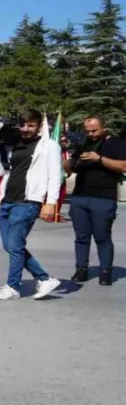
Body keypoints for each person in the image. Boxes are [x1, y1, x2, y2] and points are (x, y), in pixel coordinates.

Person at [0, 109, 63, 300]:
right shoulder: (14, 144)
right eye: (22, 125)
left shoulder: (49, 146)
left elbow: (56, 176)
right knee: (11, 245)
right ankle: (44, 278)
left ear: (39, 126)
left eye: (31, 125)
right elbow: (0, 170)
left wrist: (51, 203)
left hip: (28, 201)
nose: (26, 129)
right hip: (7, 201)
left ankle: (12, 286)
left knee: (15, 245)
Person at [66, 116, 125, 286]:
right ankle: (81, 269)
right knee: (81, 237)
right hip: (80, 196)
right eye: (87, 131)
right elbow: (71, 169)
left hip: (104, 198)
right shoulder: (83, 144)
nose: (90, 134)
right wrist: (67, 163)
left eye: (94, 130)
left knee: (102, 236)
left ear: (104, 127)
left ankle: (105, 271)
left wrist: (99, 158)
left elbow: (123, 166)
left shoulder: (116, 143)